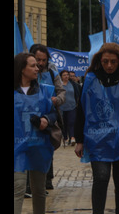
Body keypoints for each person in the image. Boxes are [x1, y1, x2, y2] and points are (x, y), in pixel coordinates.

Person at [75, 43, 119, 214]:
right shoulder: (91, 80)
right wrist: (79, 140)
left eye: (113, 62)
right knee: (100, 178)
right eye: (105, 61)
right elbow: (81, 111)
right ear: (100, 61)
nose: (109, 65)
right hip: (97, 139)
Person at [14, 52, 55, 214]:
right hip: (17, 148)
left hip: (38, 145)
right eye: (32, 65)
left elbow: (53, 114)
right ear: (21, 69)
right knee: (18, 187)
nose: (37, 68)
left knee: (39, 189)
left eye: (37, 65)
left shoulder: (44, 91)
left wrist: (46, 119)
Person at [31, 43, 65, 190]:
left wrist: (56, 100)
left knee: (48, 145)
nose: (40, 63)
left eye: (43, 60)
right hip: (30, 116)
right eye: (38, 59)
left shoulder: (52, 71)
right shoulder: (25, 71)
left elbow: (62, 92)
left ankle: (47, 179)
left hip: (49, 116)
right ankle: (29, 182)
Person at [59, 70, 80, 146]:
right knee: (64, 123)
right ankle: (65, 138)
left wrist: (78, 102)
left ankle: (72, 137)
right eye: (64, 75)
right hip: (62, 107)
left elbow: (78, 92)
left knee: (72, 122)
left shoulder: (73, 84)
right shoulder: (59, 85)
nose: (66, 76)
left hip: (72, 106)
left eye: (67, 75)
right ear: (61, 76)